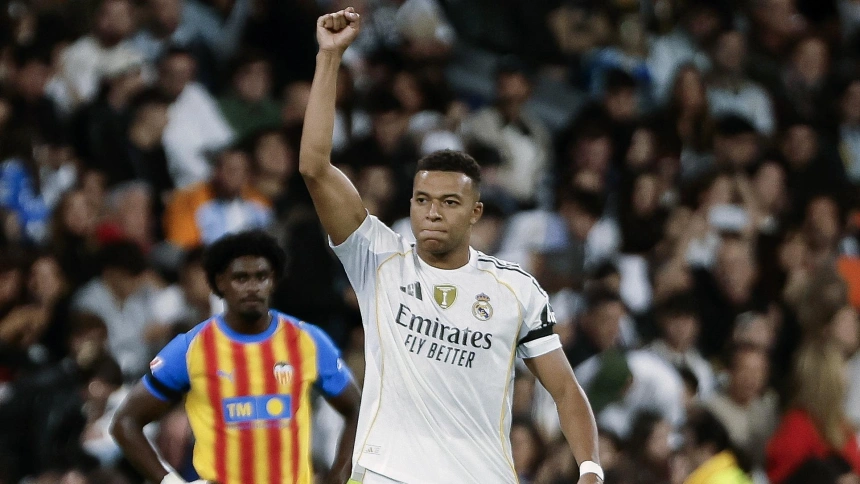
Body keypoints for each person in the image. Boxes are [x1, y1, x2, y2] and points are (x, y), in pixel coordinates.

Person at [299, 8, 602, 484]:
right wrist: (329, 58)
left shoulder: (515, 290)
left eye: (448, 202)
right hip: (385, 474)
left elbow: (564, 389)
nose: (432, 212)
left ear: (475, 213)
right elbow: (315, 167)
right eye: (422, 200)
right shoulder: (377, 257)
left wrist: (590, 469)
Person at [110, 230, 361, 484]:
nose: (253, 287)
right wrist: (169, 482)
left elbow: (357, 409)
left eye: (261, 277)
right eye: (241, 278)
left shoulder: (307, 341)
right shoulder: (192, 347)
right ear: (220, 282)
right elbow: (125, 422)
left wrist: (338, 477)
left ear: (273, 281)